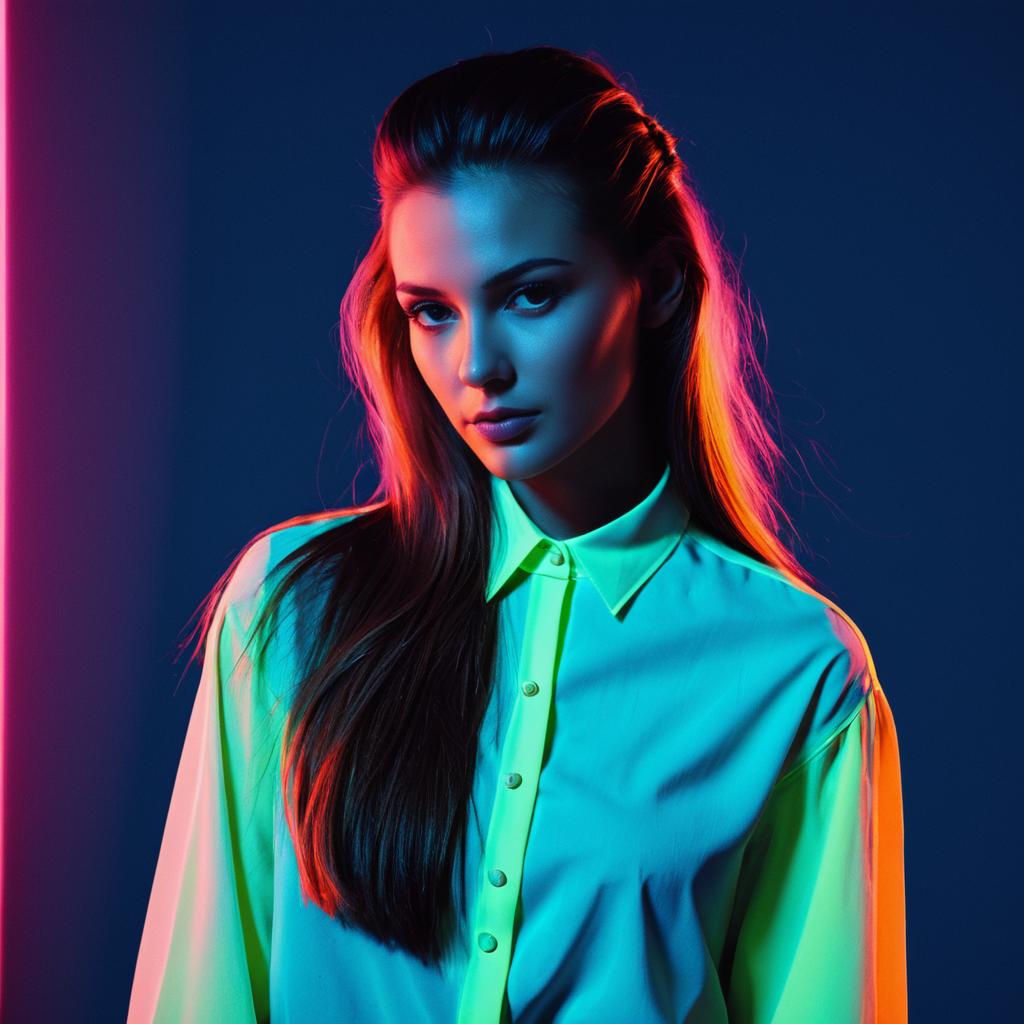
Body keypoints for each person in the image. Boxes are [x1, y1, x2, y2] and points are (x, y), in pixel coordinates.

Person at [127, 45, 907, 1024]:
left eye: (530, 294)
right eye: (431, 313)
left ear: (656, 286)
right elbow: (200, 995)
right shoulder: (290, 607)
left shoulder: (795, 670)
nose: (476, 367)